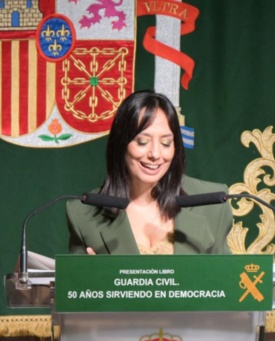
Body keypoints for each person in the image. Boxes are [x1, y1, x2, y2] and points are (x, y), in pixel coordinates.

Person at [66, 90, 233, 255]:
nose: (155, 154)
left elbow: (226, 278)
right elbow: (74, 281)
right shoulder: (83, 214)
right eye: (143, 142)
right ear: (121, 143)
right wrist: (91, 278)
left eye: (166, 143)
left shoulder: (212, 203)